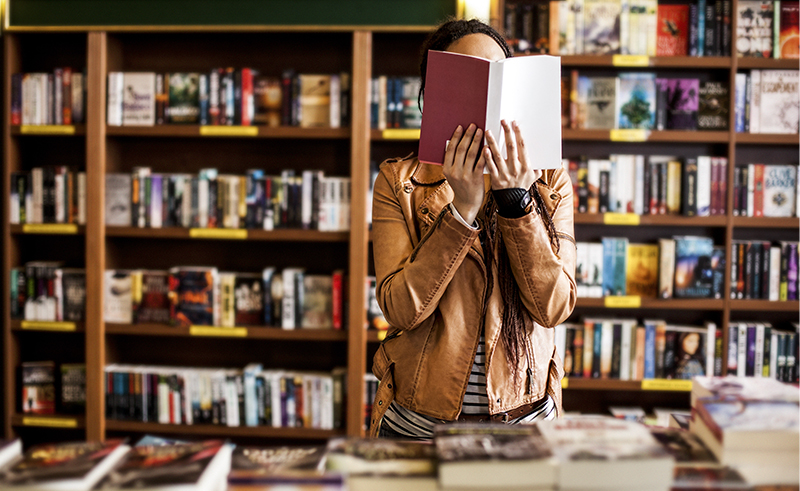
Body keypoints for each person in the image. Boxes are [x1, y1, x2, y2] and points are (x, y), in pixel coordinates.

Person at [368, 18, 577, 440]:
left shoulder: (550, 182)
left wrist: (516, 201)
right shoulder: (400, 182)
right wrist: (460, 211)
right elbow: (401, 310)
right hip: (419, 429)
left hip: (523, 424)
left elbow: (554, 306)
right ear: (435, 96)